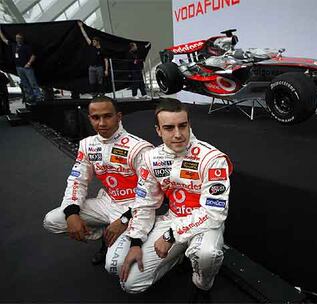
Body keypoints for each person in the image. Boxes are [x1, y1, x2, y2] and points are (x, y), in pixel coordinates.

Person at [116, 98, 233, 296]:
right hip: (172, 218)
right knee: (130, 283)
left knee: (207, 255)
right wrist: (136, 241)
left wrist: (172, 235)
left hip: (205, 222)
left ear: (189, 125)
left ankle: (202, 283)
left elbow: (214, 213)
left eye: (182, 126)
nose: (178, 134)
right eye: (169, 128)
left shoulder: (212, 158)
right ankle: (177, 257)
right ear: (158, 130)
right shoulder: (151, 158)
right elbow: (145, 203)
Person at [43, 96, 153, 266]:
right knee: (53, 220)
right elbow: (77, 180)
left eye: (107, 116)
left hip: (134, 208)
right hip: (108, 202)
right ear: (90, 119)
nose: (102, 123)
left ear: (119, 116)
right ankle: (104, 233)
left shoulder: (139, 148)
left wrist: (124, 220)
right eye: (96, 118)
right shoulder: (87, 145)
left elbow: (151, 194)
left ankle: (142, 239)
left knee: (114, 266)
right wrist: (72, 212)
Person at [0, 29, 42, 103]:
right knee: (25, 83)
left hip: (27, 68)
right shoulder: (14, 45)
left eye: (19, 38)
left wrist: (29, 63)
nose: (18, 39)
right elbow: (4, 39)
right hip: (18, 67)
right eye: (17, 38)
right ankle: (30, 97)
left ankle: (38, 96)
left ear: (22, 39)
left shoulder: (26, 47)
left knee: (32, 82)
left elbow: (33, 55)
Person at [78, 21, 109, 97]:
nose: (93, 42)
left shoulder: (102, 50)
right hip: (91, 67)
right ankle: (94, 94)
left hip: (99, 67)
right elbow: (85, 36)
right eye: (93, 41)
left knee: (100, 81)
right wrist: (81, 27)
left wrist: (106, 70)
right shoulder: (91, 46)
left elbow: (106, 60)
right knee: (92, 81)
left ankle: (101, 93)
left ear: (98, 42)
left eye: (94, 41)